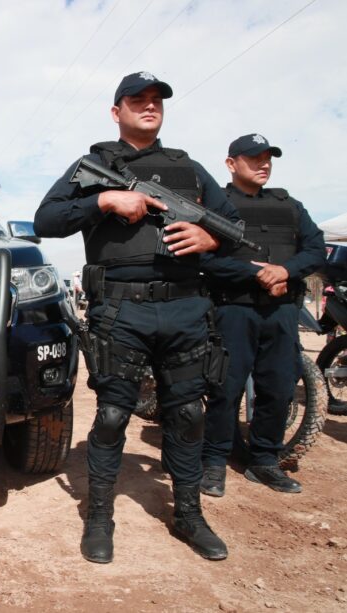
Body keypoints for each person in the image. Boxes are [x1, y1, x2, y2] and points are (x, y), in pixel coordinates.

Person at [35, 71, 239, 563]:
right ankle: (100, 517)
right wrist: (104, 199)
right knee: (110, 417)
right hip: (120, 308)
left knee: (188, 415)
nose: (149, 106)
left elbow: (233, 223)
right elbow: (47, 219)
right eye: (137, 100)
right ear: (116, 111)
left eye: (156, 101)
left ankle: (188, 514)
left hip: (187, 305)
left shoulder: (188, 168)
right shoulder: (96, 163)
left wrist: (212, 239)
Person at [200, 134, 325, 496]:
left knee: (279, 388)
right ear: (231, 163)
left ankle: (264, 461)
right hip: (234, 309)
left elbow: (316, 249)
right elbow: (203, 258)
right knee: (225, 387)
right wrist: (255, 273)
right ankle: (213, 461)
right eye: (254, 158)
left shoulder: (290, 206)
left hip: (282, 311)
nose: (264, 164)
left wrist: (285, 271)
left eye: (268, 158)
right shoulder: (214, 206)